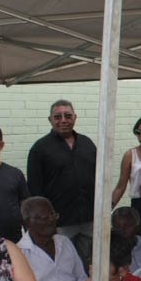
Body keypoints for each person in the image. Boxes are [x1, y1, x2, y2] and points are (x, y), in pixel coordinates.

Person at [26, 100, 97, 258]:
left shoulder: (87, 144)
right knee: (63, 261)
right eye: (58, 117)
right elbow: (35, 189)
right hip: (60, 223)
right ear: (50, 120)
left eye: (68, 116)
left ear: (75, 117)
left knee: (91, 262)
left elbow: (99, 177)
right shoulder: (40, 149)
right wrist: (45, 221)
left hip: (90, 220)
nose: (63, 120)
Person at [111, 206, 141, 272]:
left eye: (127, 226)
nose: (122, 229)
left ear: (137, 226)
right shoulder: (110, 251)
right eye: (117, 226)